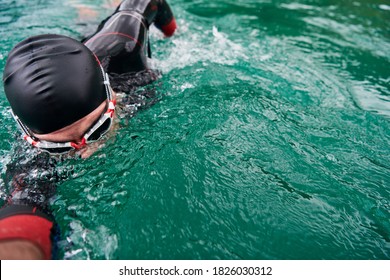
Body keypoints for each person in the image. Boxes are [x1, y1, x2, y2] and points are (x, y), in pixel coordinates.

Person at [0, 0, 176, 260]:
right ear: (30, 137)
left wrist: (174, 33)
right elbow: (21, 213)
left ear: (111, 98)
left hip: (99, 49)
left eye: (98, 129)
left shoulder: (125, 48)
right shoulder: (32, 154)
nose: (86, 153)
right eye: (58, 147)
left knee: (92, 22)